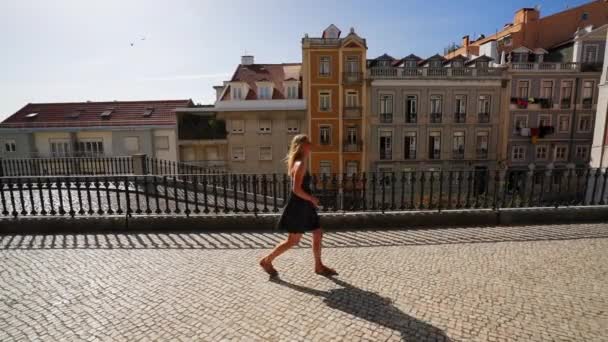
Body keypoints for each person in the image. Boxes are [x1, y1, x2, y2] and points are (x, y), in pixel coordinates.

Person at [259, 134, 337, 278]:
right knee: (293, 241)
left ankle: (318, 266)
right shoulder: (299, 164)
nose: (311, 144)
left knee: (318, 233)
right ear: (302, 146)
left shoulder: (300, 162)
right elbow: (296, 189)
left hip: (304, 206)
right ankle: (266, 260)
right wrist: (312, 198)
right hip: (299, 207)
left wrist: (310, 200)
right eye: (308, 142)